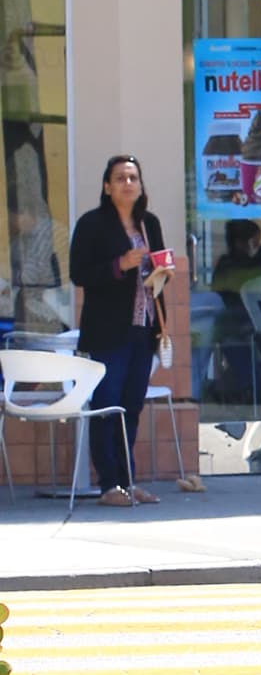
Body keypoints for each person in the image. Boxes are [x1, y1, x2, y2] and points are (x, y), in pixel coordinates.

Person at [69, 155, 169, 506]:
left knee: (131, 407)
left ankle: (128, 481)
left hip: (143, 328)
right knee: (107, 405)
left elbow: (158, 267)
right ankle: (108, 484)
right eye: (120, 178)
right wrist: (119, 265)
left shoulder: (149, 223)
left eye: (133, 177)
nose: (128, 183)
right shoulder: (93, 224)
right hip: (109, 331)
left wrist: (161, 271)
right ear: (107, 186)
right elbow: (79, 273)